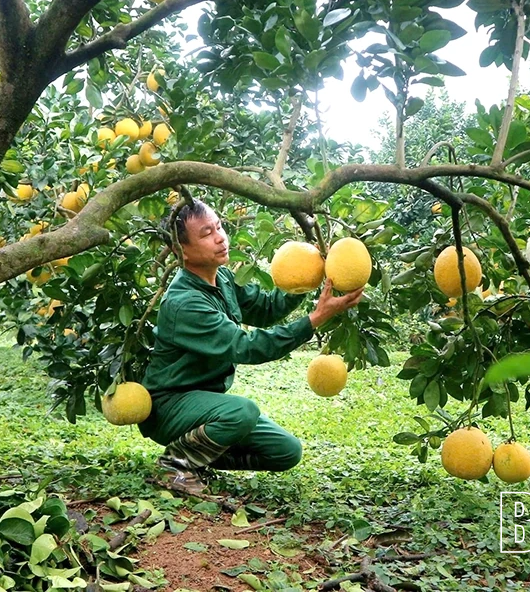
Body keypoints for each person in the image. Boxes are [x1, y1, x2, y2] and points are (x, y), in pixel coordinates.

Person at [138, 198, 363, 492]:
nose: (220, 237)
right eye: (206, 234)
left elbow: (265, 308)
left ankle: (198, 457)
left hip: (205, 405)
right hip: (170, 407)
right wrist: (316, 318)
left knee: (285, 451)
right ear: (183, 251)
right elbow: (248, 346)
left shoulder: (223, 279)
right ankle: (176, 464)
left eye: (219, 227)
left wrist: (311, 276)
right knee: (242, 411)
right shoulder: (185, 303)